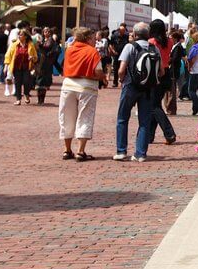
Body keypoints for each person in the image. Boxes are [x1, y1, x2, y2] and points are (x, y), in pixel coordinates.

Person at [114, 22, 161, 162]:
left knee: (122, 118)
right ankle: (140, 153)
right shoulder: (154, 48)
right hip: (147, 88)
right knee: (144, 121)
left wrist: (122, 80)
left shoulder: (130, 47)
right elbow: (161, 71)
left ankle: (121, 151)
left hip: (130, 86)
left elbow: (121, 69)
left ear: (134, 34)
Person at [58, 27, 106, 161]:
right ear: (87, 38)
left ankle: (67, 150)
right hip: (87, 86)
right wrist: (103, 78)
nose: (94, 41)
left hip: (68, 84)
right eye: (92, 38)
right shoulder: (92, 52)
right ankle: (80, 151)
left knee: (66, 117)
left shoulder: (70, 49)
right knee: (85, 116)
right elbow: (98, 71)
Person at [147, 19, 177, 145]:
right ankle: (149, 136)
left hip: (156, 74)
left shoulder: (151, 42)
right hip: (166, 73)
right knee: (156, 104)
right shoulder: (169, 41)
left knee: (153, 106)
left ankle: (169, 133)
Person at [6, 26, 38, 106]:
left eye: (21, 35)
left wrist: (32, 58)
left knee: (26, 82)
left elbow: (35, 57)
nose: (19, 36)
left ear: (26, 36)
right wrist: (6, 65)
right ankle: (18, 99)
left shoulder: (30, 45)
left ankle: (26, 95)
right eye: (19, 35)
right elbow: (9, 55)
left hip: (27, 67)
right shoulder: (14, 45)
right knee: (17, 83)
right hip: (16, 67)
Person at [33, 27, 61, 106]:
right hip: (40, 62)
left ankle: (42, 100)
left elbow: (47, 47)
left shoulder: (51, 40)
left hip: (46, 63)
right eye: (45, 31)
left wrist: (40, 44)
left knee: (43, 82)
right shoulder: (42, 40)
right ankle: (39, 100)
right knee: (39, 82)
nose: (46, 33)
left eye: (48, 31)